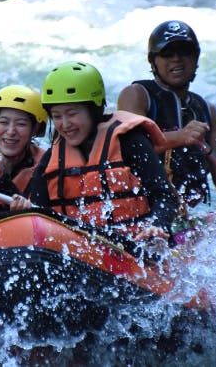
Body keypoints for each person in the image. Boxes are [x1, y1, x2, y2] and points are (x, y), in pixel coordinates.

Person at [117, 20, 216, 231]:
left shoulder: (207, 111)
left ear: (195, 59)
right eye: (167, 54)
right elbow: (132, 149)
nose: (176, 59)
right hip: (138, 212)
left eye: (184, 52)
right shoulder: (136, 95)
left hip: (180, 218)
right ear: (153, 62)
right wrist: (180, 136)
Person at [28, 61, 179, 247]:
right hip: (86, 251)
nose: (65, 124)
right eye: (57, 116)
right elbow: (38, 213)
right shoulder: (51, 160)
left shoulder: (130, 142)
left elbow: (164, 196)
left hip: (138, 246)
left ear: (94, 110)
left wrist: (158, 224)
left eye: (71, 113)